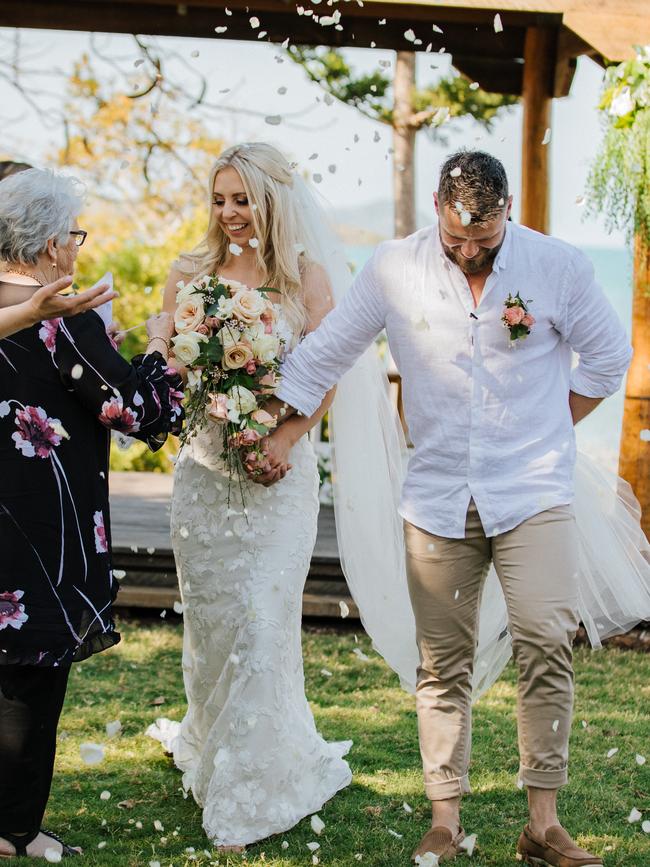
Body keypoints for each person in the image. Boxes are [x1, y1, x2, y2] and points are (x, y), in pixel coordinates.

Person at [270, 150, 638, 866]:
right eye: (457, 240)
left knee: (545, 638)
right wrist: (282, 429)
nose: (470, 252)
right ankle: (445, 817)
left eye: (486, 241)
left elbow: (608, 357)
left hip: (535, 489)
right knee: (441, 663)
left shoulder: (557, 265)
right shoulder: (391, 267)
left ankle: (544, 823)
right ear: (437, 204)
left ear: (507, 214)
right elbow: (326, 353)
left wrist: (553, 423)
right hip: (436, 495)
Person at [147, 142, 352, 852]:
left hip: (277, 480)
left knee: (263, 623)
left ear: (271, 200)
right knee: (213, 630)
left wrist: (284, 437)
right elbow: (171, 372)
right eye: (220, 199)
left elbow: (325, 374)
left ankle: (253, 786)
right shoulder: (190, 275)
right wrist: (166, 350)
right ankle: (215, 745)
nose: (230, 213)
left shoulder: (304, 278)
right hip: (205, 476)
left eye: (243, 199)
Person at [0, 167, 184, 859]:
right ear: (50, 244)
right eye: (72, 234)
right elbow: (132, 407)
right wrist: (161, 347)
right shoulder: (65, 319)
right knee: (29, 684)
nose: (76, 248)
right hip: (41, 531)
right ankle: (15, 831)